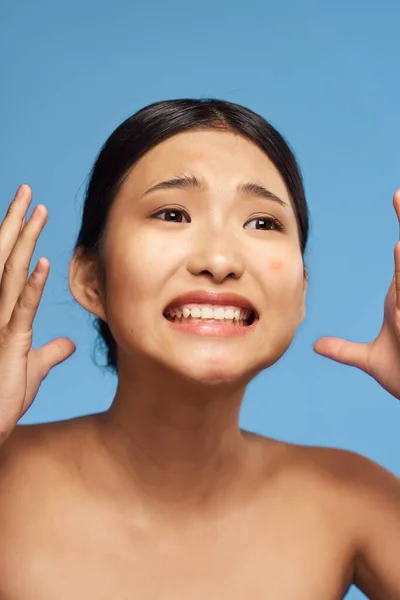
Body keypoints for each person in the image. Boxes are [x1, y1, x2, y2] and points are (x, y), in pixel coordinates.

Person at [0, 98, 398, 599]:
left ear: (299, 293)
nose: (219, 259)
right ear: (91, 279)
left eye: (262, 223)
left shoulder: (354, 500)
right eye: (172, 213)